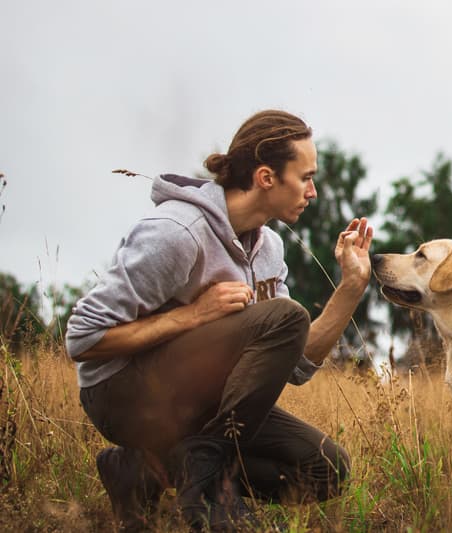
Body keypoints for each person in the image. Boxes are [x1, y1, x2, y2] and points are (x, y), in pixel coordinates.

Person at [66, 109, 374, 531]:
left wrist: (351, 287)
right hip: (120, 396)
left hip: (197, 405)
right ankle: (209, 487)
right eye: (305, 177)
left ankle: (139, 471)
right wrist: (194, 316)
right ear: (266, 177)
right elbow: (83, 340)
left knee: (327, 469)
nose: (313, 191)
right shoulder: (178, 231)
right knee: (286, 315)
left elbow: (297, 365)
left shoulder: (269, 249)